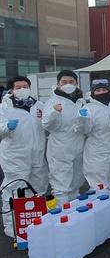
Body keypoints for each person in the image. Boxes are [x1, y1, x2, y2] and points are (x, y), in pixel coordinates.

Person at [0, 76, 48, 238]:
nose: (22, 89)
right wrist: (6, 127)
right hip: (16, 155)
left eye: (25, 86)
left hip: (37, 155)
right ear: (12, 91)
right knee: (14, 190)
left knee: (38, 188)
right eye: (18, 87)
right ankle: (12, 226)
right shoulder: (4, 108)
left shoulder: (38, 106)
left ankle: (36, 223)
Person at [42, 70, 87, 206]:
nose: (68, 84)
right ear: (58, 84)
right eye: (64, 82)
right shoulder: (53, 101)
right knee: (61, 186)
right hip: (60, 148)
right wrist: (54, 113)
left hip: (79, 145)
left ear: (76, 83)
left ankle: (73, 214)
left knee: (76, 183)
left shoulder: (81, 101)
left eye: (71, 82)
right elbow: (46, 125)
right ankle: (61, 217)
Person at [75, 79, 110, 189]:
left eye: (104, 89)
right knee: (98, 184)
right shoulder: (89, 108)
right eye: (98, 90)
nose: (101, 92)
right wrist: (82, 119)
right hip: (97, 150)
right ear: (93, 92)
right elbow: (83, 130)